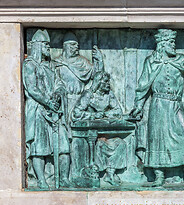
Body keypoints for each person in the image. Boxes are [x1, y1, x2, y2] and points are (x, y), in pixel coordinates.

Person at [130, 29, 184, 188]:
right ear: (162, 45)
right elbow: (143, 85)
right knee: (157, 140)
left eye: (173, 42)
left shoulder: (180, 59)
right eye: (170, 42)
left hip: (175, 104)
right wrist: (138, 106)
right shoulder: (152, 62)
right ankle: (158, 176)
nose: (173, 45)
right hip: (158, 105)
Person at [23, 29, 72, 189]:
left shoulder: (51, 65)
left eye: (48, 44)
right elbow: (32, 88)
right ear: (37, 46)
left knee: (64, 145)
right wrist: (47, 102)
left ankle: (64, 178)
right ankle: (41, 180)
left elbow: (59, 83)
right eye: (45, 44)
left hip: (55, 112)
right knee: (39, 147)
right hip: (38, 110)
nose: (48, 47)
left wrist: (58, 94)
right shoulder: (30, 65)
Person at [53, 31, 104, 178]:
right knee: (64, 141)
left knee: (79, 140)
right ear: (65, 46)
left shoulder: (82, 62)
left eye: (77, 45)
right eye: (73, 45)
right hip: (63, 104)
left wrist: (99, 61)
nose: (76, 48)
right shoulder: (57, 63)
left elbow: (98, 77)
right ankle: (62, 175)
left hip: (80, 103)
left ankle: (79, 172)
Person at [72, 72, 127, 186]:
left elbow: (118, 111)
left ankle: (110, 173)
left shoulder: (109, 95)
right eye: (105, 81)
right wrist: (93, 115)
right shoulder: (89, 95)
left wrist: (104, 114)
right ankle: (93, 170)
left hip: (107, 133)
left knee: (121, 144)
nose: (108, 84)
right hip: (91, 134)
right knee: (99, 145)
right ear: (98, 82)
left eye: (108, 81)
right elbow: (76, 113)